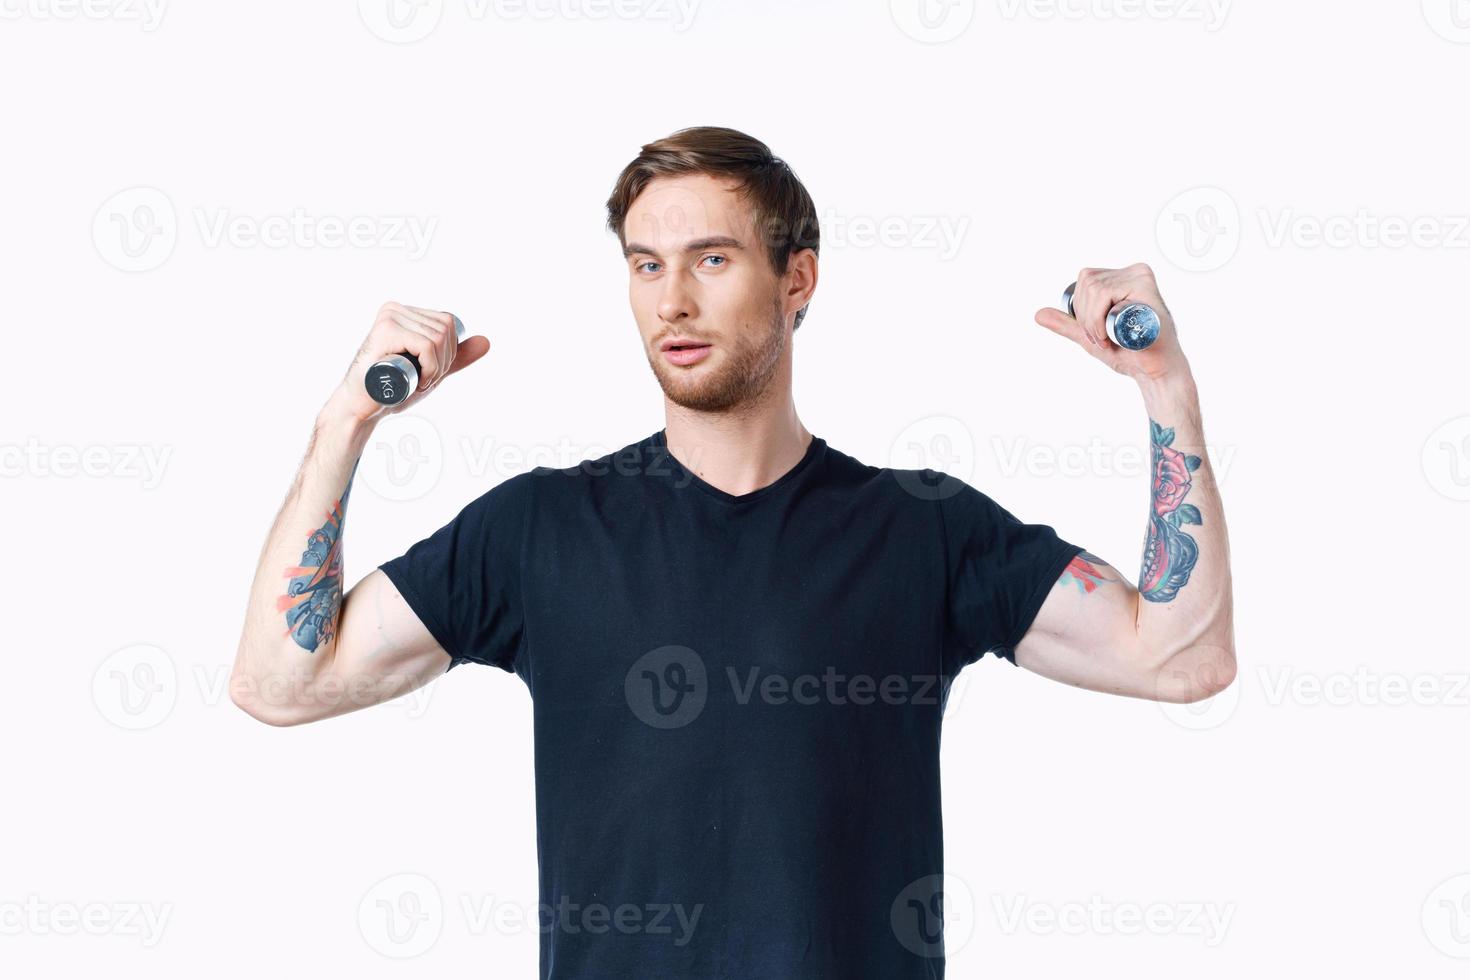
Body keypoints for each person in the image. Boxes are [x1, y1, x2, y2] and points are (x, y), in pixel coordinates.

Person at [230, 125, 1236, 979]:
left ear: (797, 277)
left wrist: (1165, 385)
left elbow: (1180, 655)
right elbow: (281, 680)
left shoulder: (924, 529)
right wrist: (345, 420)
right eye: (645, 262)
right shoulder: (538, 529)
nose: (671, 299)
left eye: (711, 258)